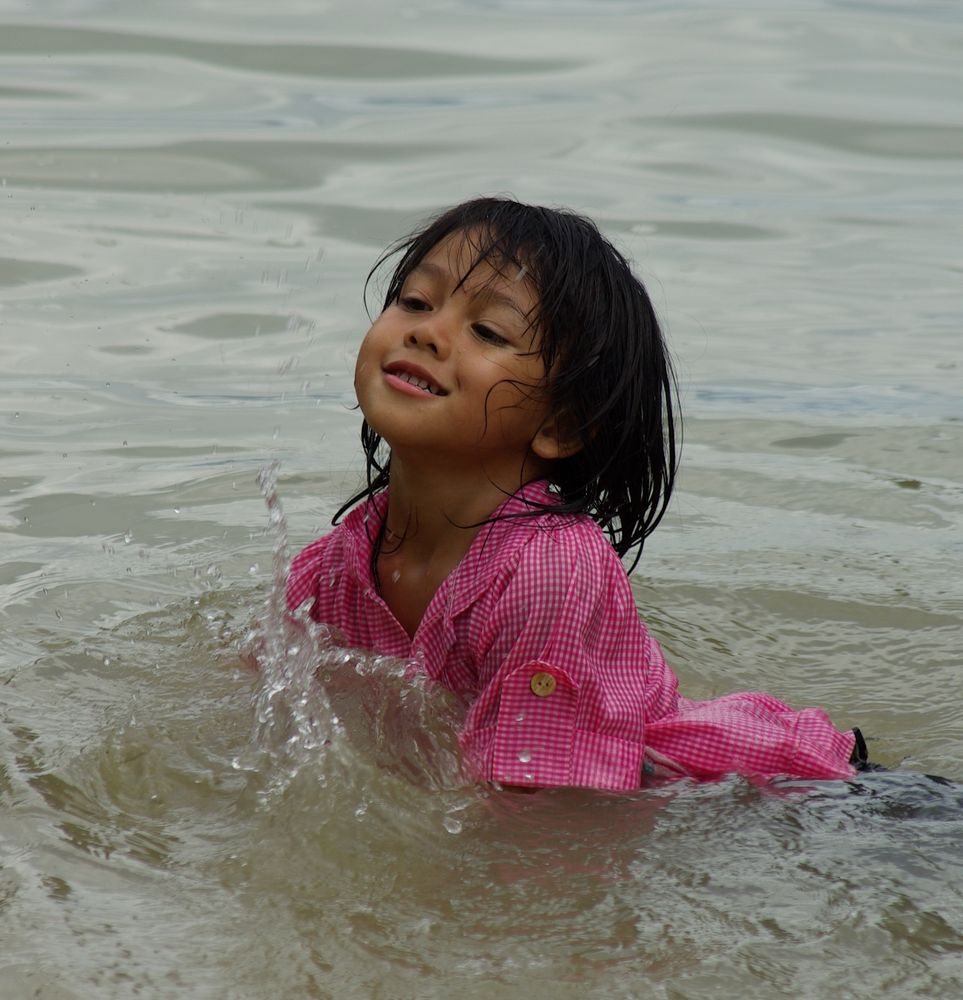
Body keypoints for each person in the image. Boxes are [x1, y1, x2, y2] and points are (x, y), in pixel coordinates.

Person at [286, 197, 864, 791]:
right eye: (414, 301)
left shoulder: (549, 572)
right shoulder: (333, 569)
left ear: (561, 425)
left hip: (796, 801)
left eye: (487, 330)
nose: (426, 331)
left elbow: (548, 818)